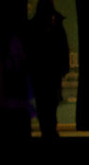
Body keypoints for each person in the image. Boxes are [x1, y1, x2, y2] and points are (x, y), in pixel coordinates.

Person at [27, 0, 71, 141]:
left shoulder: (34, 26)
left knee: (44, 103)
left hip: (41, 72)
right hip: (51, 72)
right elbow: (63, 47)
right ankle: (50, 129)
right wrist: (64, 67)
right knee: (50, 103)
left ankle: (47, 129)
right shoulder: (56, 25)